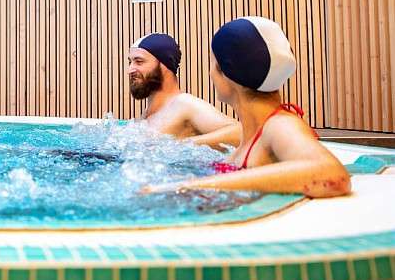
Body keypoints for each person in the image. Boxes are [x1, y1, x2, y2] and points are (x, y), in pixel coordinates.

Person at [142, 17, 350, 198]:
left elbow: (331, 174)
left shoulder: (280, 125)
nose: (211, 74)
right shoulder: (257, 133)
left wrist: (184, 187)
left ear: (227, 74)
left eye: (214, 65)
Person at [127, 33, 240, 149]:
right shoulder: (144, 117)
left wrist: (180, 146)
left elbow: (239, 132)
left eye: (139, 61)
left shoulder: (183, 104)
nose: (130, 70)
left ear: (164, 65)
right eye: (130, 62)